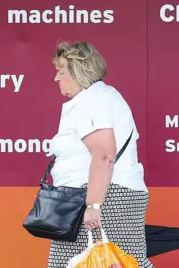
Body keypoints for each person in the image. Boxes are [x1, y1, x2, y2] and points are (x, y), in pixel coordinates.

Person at [46, 41, 153, 268]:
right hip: (105, 195)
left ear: (78, 72)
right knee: (123, 262)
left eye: (61, 72)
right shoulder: (102, 96)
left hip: (103, 197)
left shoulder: (91, 100)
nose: (56, 78)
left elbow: (104, 154)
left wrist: (94, 205)